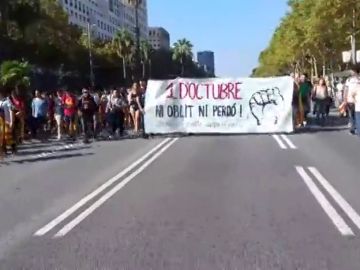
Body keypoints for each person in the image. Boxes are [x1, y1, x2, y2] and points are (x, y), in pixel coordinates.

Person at [344, 64, 360, 135]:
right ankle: (355, 127)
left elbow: (346, 90)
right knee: (356, 114)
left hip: (350, 99)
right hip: (356, 100)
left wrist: (344, 99)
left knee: (352, 114)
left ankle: (353, 128)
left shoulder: (349, 80)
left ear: (353, 71)